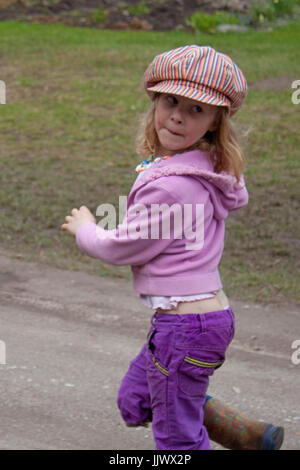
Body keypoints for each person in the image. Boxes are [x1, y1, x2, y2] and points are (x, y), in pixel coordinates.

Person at [61, 45, 283, 450]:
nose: (178, 114)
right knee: (136, 401)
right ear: (155, 101)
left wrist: (86, 228)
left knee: (176, 439)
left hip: (186, 328)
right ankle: (245, 434)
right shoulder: (203, 166)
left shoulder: (172, 187)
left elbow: (120, 248)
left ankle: (191, 416)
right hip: (194, 324)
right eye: (171, 101)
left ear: (216, 122)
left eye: (197, 109)